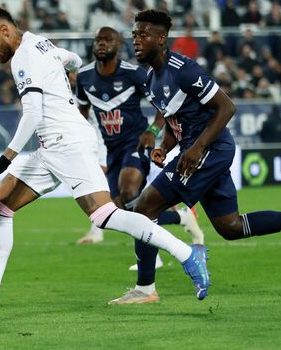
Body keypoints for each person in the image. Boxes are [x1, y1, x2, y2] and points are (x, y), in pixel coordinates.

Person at [0, 7, 212, 318]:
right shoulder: (40, 43)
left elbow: (32, 113)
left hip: (68, 144)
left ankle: (188, 254)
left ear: (5, 31)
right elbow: (72, 58)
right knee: (0, 205)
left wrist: (5, 159)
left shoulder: (23, 57)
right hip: (50, 148)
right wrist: (65, 78)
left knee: (104, 215)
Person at [126, 9, 281, 300]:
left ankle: (145, 289)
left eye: (143, 34)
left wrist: (197, 147)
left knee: (143, 208)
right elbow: (172, 118)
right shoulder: (151, 78)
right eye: (134, 35)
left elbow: (227, 107)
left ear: (162, 38)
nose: (137, 40)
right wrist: (163, 147)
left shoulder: (184, 69)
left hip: (210, 150)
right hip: (202, 151)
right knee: (230, 227)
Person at [74, 27, 204, 304]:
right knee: (118, 210)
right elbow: (82, 113)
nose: (101, 44)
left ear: (119, 45)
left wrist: (152, 131)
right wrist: (87, 145)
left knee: (130, 190)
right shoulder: (84, 77)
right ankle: (182, 217)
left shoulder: (134, 73)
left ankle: (149, 275)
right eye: (98, 39)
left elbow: (161, 104)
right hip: (110, 150)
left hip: (136, 143)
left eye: (107, 39)